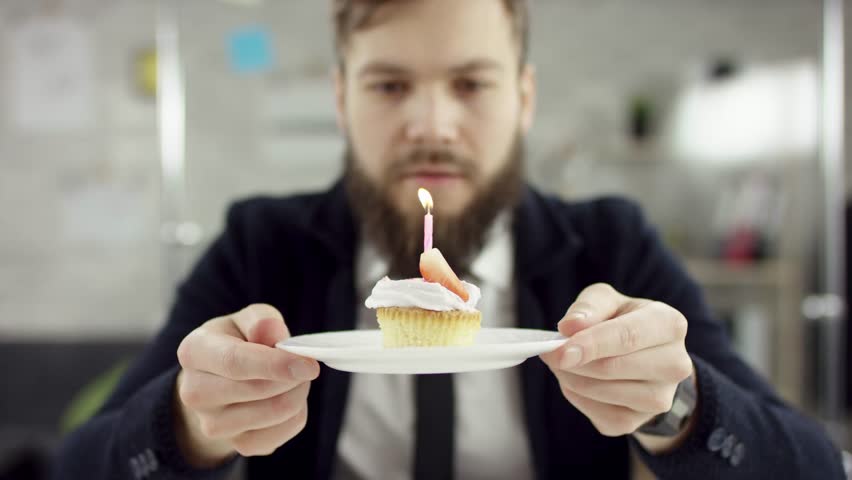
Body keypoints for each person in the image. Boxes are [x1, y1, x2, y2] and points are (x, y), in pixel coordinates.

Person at [54, 0, 845, 479]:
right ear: (340, 99)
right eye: (389, 85)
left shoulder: (612, 244)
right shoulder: (262, 245)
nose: (431, 124)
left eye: (471, 84)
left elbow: (809, 469)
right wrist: (190, 425)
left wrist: (677, 405)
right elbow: (79, 470)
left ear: (525, 97)